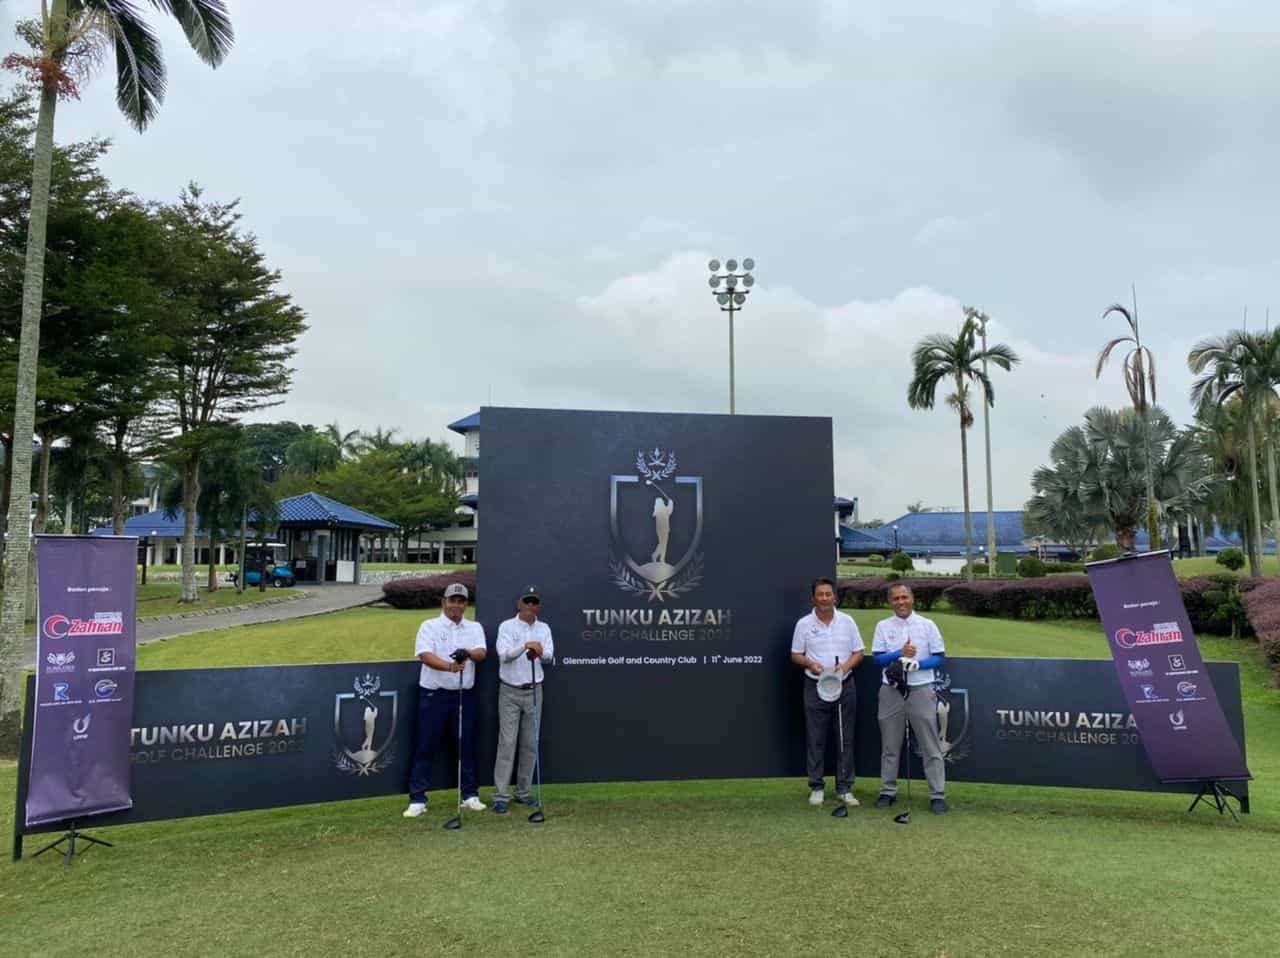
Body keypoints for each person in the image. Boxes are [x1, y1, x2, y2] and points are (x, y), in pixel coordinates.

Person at [404, 582, 488, 818]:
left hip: (463, 695)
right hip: (434, 695)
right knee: (425, 746)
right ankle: (418, 799)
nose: (456, 605)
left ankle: (469, 795)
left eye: (461, 601)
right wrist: (450, 667)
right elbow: (425, 655)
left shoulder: (474, 627)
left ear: (466, 604)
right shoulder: (429, 626)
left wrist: (468, 653)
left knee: (465, 745)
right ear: (444, 602)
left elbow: (481, 652)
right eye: (452, 600)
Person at [871, 582, 948, 814]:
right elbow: (878, 659)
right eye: (896, 598)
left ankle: (937, 795)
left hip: (921, 689)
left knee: (930, 745)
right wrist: (899, 654)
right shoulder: (883, 626)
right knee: (890, 746)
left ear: (912, 598)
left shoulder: (927, 625)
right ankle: (888, 791)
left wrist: (918, 664)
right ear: (890, 602)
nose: (901, 602)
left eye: (904, 597)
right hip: (891, 690)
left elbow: (939, 656)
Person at [789, 577, 864, 807]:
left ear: (835, 597)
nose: (824, 598)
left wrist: (845, 667)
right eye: (820, 594)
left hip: (844, 685)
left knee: (844, 738)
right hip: (815, 686)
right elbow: (796, 654)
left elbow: (859, 652)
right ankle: (817, 787)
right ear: (813, 598)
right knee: (815, 738)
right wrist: (810, 664)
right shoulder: (804, 624)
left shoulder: (847, 621)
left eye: (828, 594)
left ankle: (844, 788)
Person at [492, 585, 555, 814]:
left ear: (539, 606)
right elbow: (504, 656)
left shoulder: (544, 628)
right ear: (519, 604)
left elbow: (549, 656)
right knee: (507, 744)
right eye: (526, 602)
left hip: (535, 691)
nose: (530, 606)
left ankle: (523, 792)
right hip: (509, 691)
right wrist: (525, 646)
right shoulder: (507, 626)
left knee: (530, 744)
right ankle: (501, 796)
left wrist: (539, 651)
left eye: (534, 602)